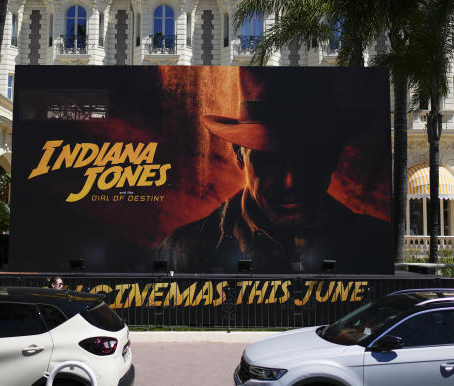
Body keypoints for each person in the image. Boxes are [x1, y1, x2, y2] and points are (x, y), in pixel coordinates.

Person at [156, 68, 391, 274]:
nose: (289, 183)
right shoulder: (183, 249)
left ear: (333, 157)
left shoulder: (378, 244)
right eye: (268, 161)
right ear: (239, 154)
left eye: (307, 160)